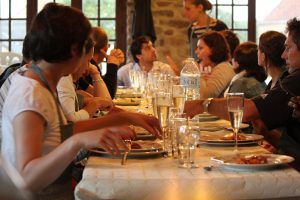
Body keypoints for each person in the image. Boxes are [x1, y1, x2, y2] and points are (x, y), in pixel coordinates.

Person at [1, 3, 162, 199]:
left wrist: (125, 117)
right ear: (74, 49)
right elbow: (26, 178)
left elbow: (60, 133)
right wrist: (78, 142)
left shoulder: (39, 81)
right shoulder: (31, 94)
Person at [184, 18, 300, 169]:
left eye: (289, 48)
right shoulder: (287, 79)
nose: (284, 55)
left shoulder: (295, 80)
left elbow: (247, 110)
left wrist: (202, 105)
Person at [57, 38, 113, 122]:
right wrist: (95, 104)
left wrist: (95, 73)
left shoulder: (68, 77)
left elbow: (107, 103)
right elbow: (71, 121)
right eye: (88, 60)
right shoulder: (64, 78)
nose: (88, 66)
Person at [77, 27, 124, 98]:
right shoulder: (87, 68)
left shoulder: (88, 69)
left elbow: (103, 96)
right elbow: (109, 95)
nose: (87, 66)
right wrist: (112, 65)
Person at [195, 31, 235, 98]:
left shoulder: (224, 68)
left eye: (200, 48)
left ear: (213, 50)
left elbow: (205, 96)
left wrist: (197, 74)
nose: (196, 51)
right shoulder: (213, 68)